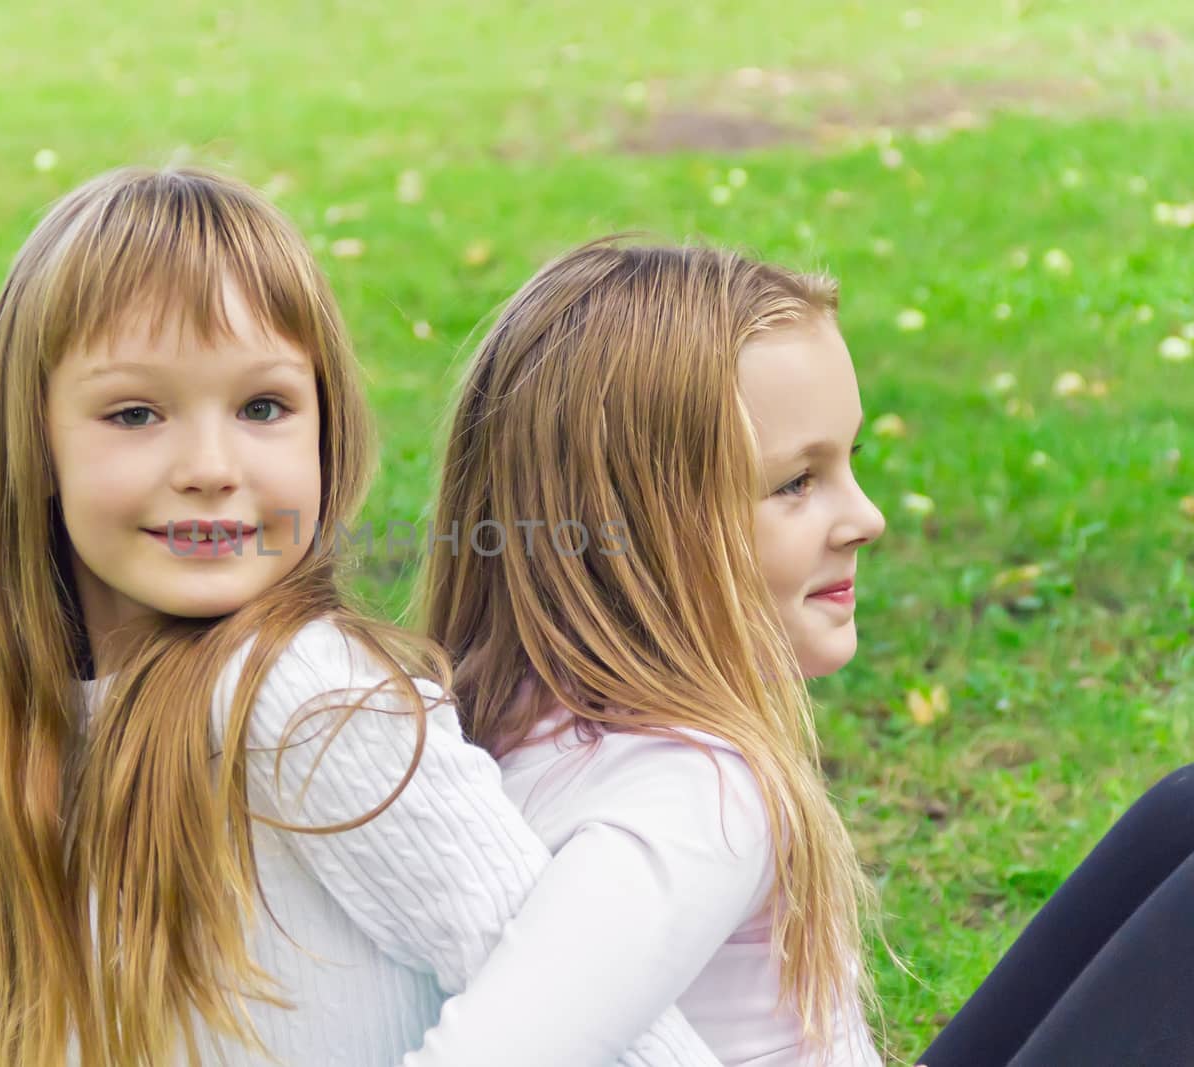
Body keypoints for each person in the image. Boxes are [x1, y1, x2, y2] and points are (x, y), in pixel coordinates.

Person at [0, 168, 718, 1067]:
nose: (210, 464)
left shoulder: (307, 692)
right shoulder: (60, 719)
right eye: (135, 412)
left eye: (263, 406)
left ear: (326, 429)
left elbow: (585, 1005)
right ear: (33, 442)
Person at [416, 238, 1194, 1066]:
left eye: (848, 462)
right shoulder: (693, 798)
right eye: (795, 483)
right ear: (630, 535)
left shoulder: (504, 720)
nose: (867, 517)